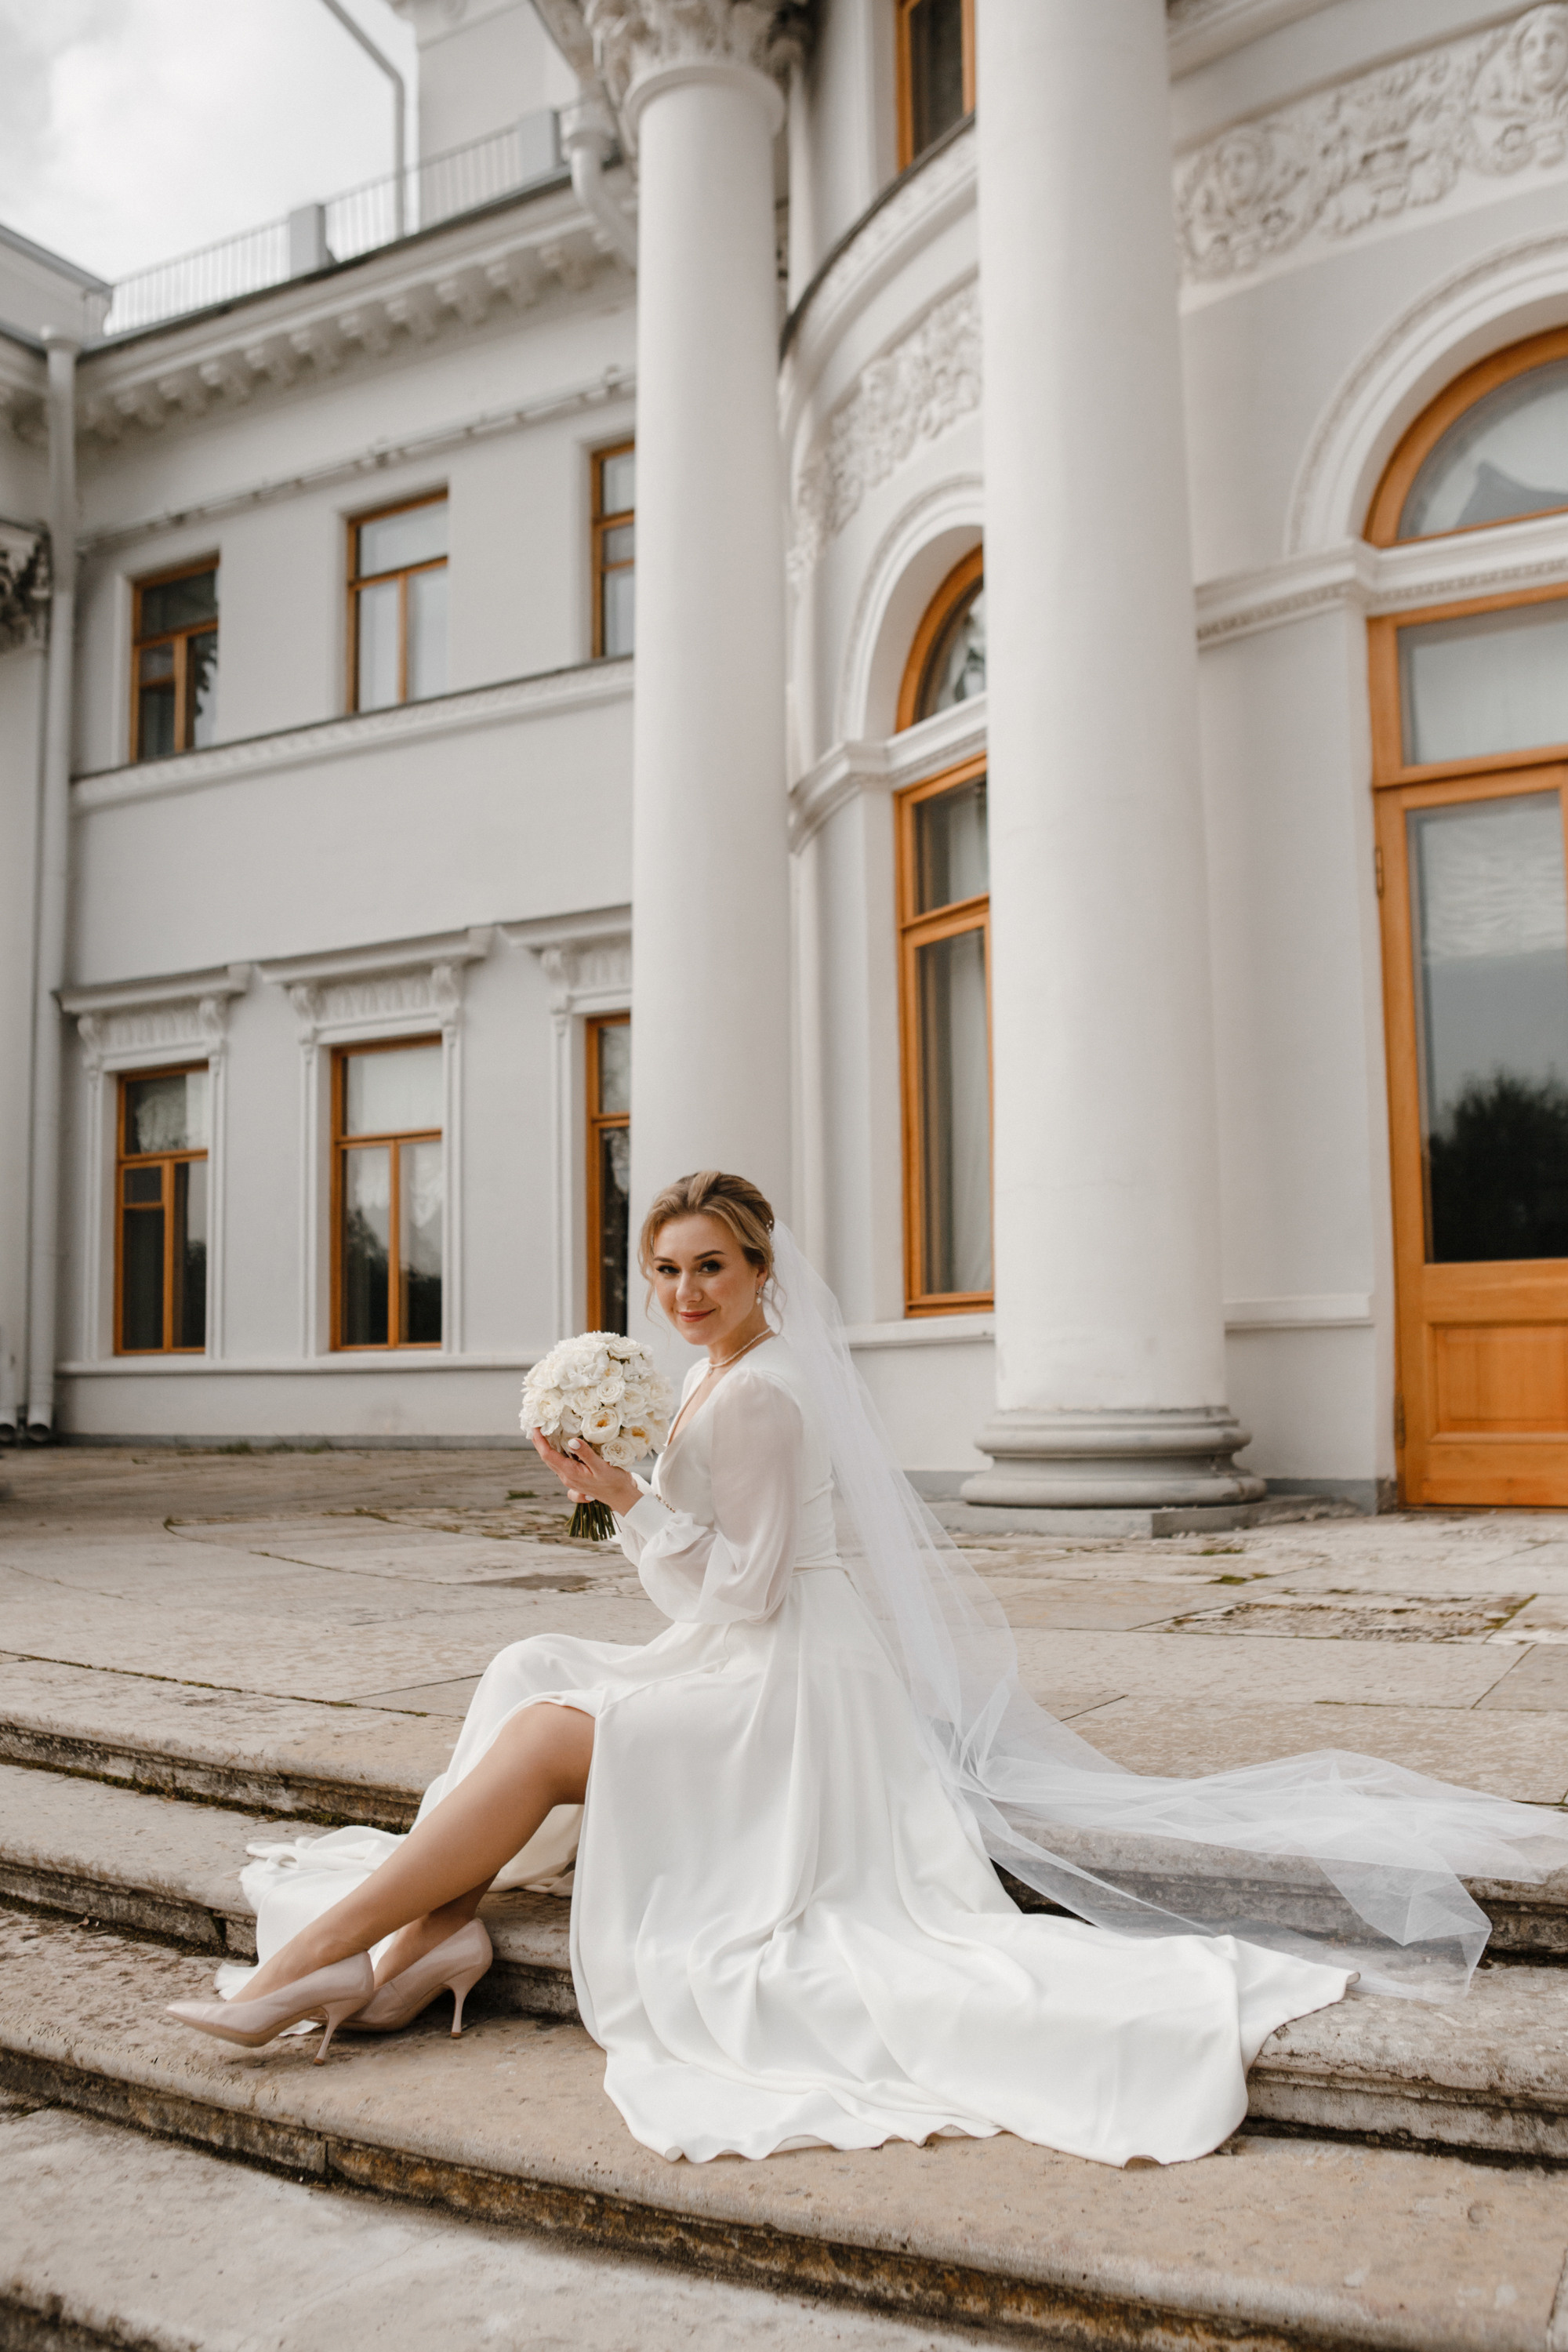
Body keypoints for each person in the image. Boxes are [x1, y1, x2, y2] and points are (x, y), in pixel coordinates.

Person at [169, 1171, 1568, 2168]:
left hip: (791, 1687)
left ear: (761, 1271)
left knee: (541, 1734)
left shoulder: (765, 1392)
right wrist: (608, 1491)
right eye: (664, 1271)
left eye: (709, 1267)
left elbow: (749, 1587)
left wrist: (625, 1496)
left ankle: (309, 1965)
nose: (685, 1292)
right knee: (536, 1660)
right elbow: (699, 1565)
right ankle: (428, 1945)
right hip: (747, 1651)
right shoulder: (715, 1381)